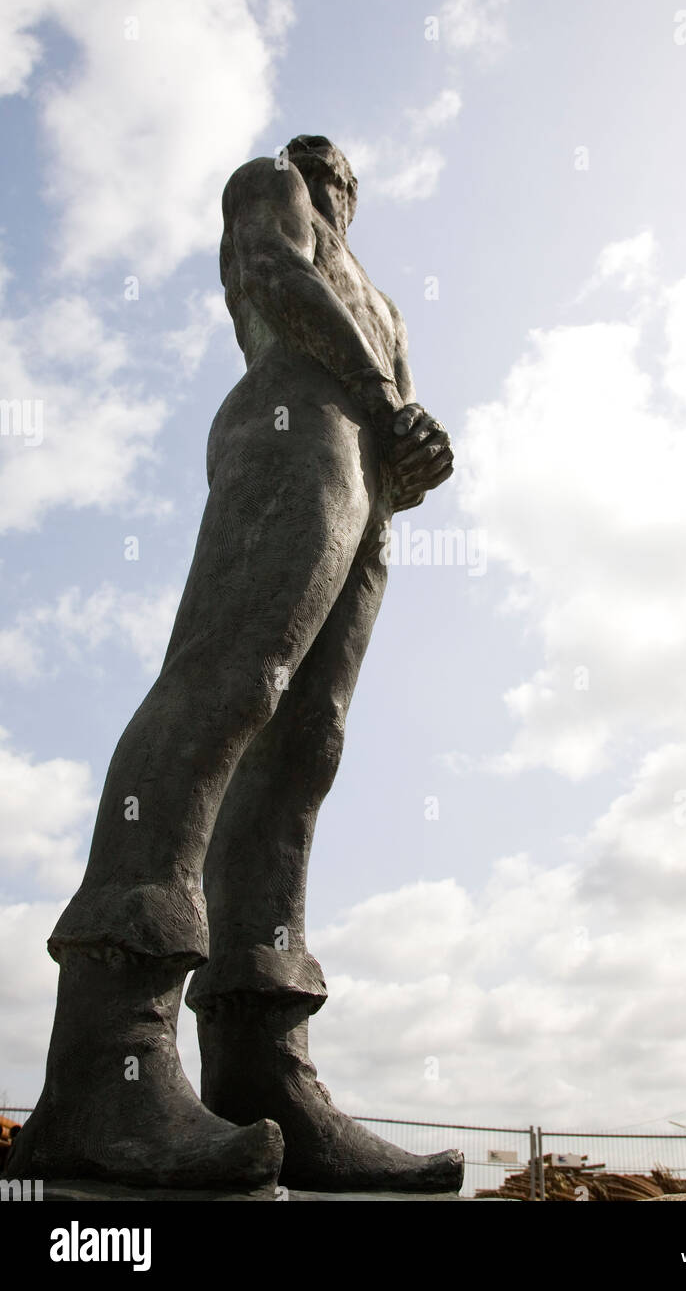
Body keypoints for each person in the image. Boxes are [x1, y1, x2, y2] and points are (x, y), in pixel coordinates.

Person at [11, 137, 462, 1193]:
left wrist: (411, 439)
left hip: (370, 478)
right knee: (231, 682)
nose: (338, 181)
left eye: (350, 174)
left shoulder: (388, 298)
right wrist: (382, 398)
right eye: (330, 165)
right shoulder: (272, 187)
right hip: (291, 423)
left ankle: (262, 1067)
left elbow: (399, 389)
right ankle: (107, 1059)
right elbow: (274, 277)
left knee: (307, 742)